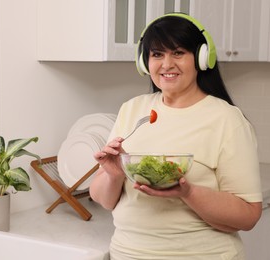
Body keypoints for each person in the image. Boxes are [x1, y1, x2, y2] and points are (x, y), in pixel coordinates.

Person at [89, 13, 262, 260]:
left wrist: (188, 192)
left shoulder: (227, 120)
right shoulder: (132, 109)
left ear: (201, 58)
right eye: (157, 54)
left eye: (178, 53)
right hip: (126, 254)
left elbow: (248, 215)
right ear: (144, 62)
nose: (167, 64)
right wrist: (114, 174)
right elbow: (104, 200)